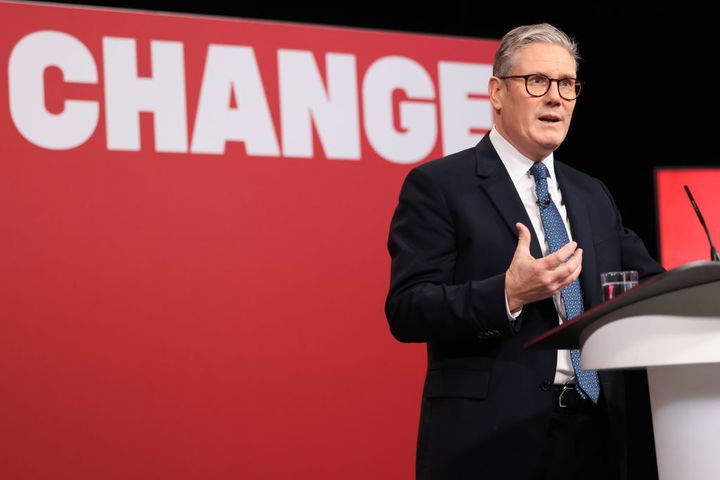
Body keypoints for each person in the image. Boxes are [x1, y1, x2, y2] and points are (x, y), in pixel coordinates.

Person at [385, 23, 664, 480]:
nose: (555, 97)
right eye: (537, 81)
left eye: (567, 85)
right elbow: (408, 308)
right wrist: (508, 294)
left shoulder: (592, 193)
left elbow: (649, 283)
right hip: (492, 442)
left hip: (595, 437)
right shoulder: (439, 186)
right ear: (497, 92)